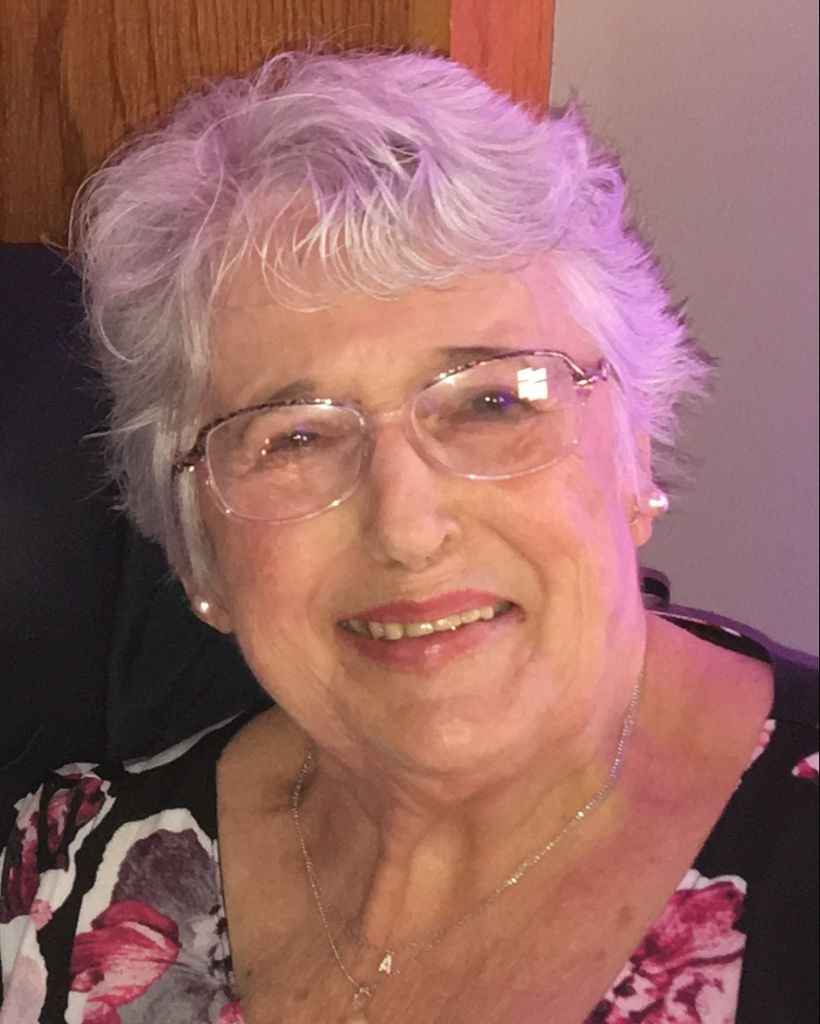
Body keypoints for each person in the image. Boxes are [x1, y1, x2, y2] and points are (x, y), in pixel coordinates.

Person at [0, 50, 816, 1024]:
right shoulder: (63, 881)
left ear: (633, 454)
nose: (406, 527)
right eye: (295, 437)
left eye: (490, 403)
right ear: (197, 546)